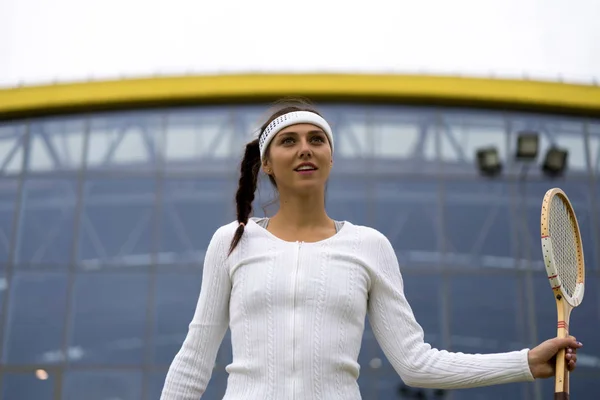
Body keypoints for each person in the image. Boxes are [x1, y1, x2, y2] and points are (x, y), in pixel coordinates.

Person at [160, 99, 582, 400]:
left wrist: (524, 362)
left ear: (330, 157)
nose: (305, 147)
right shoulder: (231, 242)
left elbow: (415, 363)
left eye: (316, 139)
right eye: (288, 141)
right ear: (266, 163)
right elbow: (194, 360)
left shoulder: (369, 245)